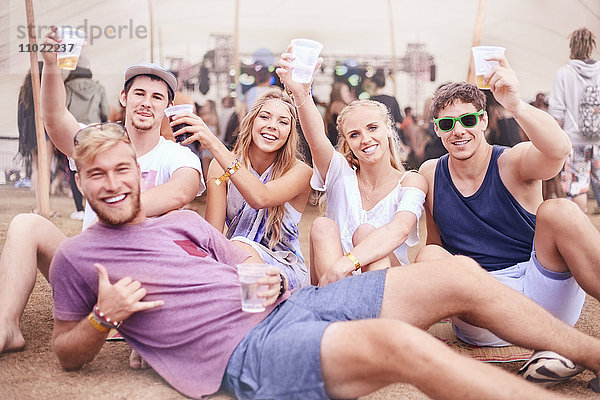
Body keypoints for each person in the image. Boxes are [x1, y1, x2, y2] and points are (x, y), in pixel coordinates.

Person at [49, 120, 600, 400]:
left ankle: (593, 355)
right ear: (80, 179)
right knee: (401, 345)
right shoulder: (77, 258)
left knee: (454, 272)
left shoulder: (184, 223)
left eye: (123, 170)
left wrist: (257, 273)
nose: (114, 184)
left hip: (299, 303)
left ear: (137, 171)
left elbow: (236, 263)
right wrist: (104, 315)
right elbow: (68, 353)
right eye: (97, 174)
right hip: (246, 353)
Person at [0, 26, 205, 354]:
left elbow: (179, 193)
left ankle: (134, 324)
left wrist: (110, 217)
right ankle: (5, 326)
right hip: (88, 269)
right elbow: (54, 119)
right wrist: (52, 68)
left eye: (157, 97)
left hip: (143, 279)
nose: (146, 103)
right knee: (26, 224)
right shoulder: (96, 140)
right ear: (124, 97)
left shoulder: (177, 155)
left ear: (166, 106)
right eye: (139, 93)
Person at [418, 53, 600, 385]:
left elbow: (558, 151)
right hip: (482, 305)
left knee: (559, 211)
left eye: (468, 120)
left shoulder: (512, 161)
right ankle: (556, 350)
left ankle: (554, 347)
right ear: (437, 130)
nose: (458, 131)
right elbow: (435, 247)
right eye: (447, 124)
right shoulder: (430, 174)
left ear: (484, 121)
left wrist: (516, 104)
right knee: (430, 255)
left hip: (543, 290)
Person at [277, 46, 427, 287]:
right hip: (335, 282)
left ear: (388, 129)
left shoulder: (410, 181)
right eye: (355, 134)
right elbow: (316, 139)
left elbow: (400, 230)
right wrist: (301, 94)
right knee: (323, 225)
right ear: (347, 143)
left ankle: (364, 313)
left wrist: (345, 264)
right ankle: (338, 305)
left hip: (384, 285)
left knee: (367, 233)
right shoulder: (340, 172)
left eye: (372, 128)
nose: (365, 139)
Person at [196, 88, 312, 290]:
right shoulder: (218, 167)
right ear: (251, 122)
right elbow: (213, 236)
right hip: (234, 263)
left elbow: (260, 197)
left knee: (238, 246)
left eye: (283, 122)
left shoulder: (300, 172)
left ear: (290, 133)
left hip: (284, 272)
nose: (272, 126)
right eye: (265, 117)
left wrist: (213, 143)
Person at [548, 27, 600, 213]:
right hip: (599, 142)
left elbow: (557, 112)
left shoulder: (564, 73)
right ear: (591, 46)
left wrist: (556, 144)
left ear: (572, 46)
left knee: (578, 187)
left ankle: (582, 234)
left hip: (575, 144)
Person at [63, 55, 110, 220]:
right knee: (96, 168)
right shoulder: (99, 88)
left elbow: (63, 110)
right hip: (94, 131)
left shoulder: (67, 87)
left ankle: (79, 209)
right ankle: (95, 205)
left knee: (74, 169)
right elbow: (105, 111)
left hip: (73, 131)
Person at [16, 61, 54, 210]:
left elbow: (20, 116)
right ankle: (44, 207)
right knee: (44, 170)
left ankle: (40, 207)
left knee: (37, 169)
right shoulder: (45, 89)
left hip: (30, 134)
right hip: (44, 133)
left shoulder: (24, 91)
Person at [324, 81, 354, 146]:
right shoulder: (340, 105)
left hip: (332, 141)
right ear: (338, 93)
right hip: (340, 142)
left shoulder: (331, 106)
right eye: (346, 91)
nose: (348, 94)